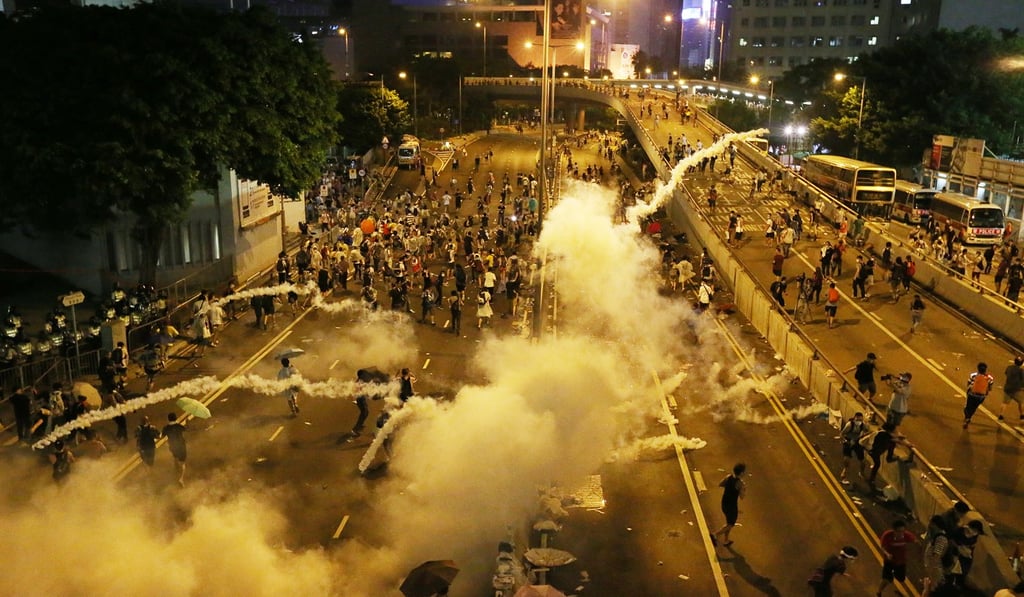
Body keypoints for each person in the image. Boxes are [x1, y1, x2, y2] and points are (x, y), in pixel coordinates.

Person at [877, 519, 916, 596]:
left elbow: (915, 541)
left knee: (901, 578)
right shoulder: (887, 535)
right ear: (894, 530)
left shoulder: (907, 535)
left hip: (901, 562)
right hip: (889, 561)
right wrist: (887, 554)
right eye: (899, 531)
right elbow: (882, 547)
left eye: (902, 531)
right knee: (886, 579)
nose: (901, 533)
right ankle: (879, 592)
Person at [710, 462, 746, 547]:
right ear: (741, 473)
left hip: (724, 503)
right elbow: (742, 497)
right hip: (732, 506)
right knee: (731, 524)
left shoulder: (728, 477)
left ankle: (726, 540)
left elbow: (720, 484)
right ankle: (715, 534)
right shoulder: (739, 483)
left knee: (728, 522)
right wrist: (743, 489)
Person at [839, 412, 868, 483]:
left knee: (863, 460)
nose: (859, 422)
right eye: (857, 420)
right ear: (854, 419)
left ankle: (862, 472)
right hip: (848, 441)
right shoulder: (849, 425)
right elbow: (842, 434)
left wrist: (863, 436)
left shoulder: (863, 425)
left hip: (857, 441)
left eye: (860, 420)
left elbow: (866, 431)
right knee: (847, 459)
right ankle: (845, 470)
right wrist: (846, 441)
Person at [963, 362, 994, 429]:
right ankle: (969, 418)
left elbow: (968, 384)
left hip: (972, 394)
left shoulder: (973, 375)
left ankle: (967, 418)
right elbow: (990, 388)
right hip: (981, 397)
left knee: (967, 407)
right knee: (974, 408)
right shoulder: (990, 378)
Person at [162, 413, 188, 486]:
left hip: (173, 446)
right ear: (176, 418)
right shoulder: (179, 426)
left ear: (168, 419)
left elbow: (162, 435)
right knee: (183, 463)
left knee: (175, 458)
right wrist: (187, 422)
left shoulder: (166, 428)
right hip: (181, 446)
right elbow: (186, 429)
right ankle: (181, 478)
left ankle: (176, 470)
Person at [1000, 356, 1024, 421]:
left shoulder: (1009, 367)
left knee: (1005, 403)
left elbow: (1006, 373)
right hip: (1017, 390)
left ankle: (1001, 415)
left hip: (1008, 388)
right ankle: (1022, 415)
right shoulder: (1021, 370)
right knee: (1021, 402)